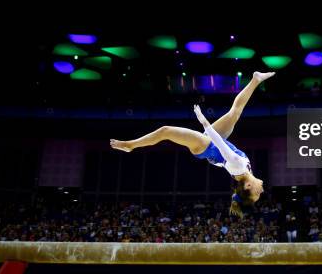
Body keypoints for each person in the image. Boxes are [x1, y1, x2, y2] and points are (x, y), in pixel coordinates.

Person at [111, 71, 275, 217]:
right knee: (235, 112)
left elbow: (220, 145)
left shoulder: (238, 167)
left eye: (257, 193)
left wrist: (205, 123)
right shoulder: (244, 174)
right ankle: (256, 79)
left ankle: (130, 145)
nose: (262, 191)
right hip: (214, 145)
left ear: (247, 185)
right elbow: (222, 160)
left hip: (206, 146)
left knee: (165, 131)